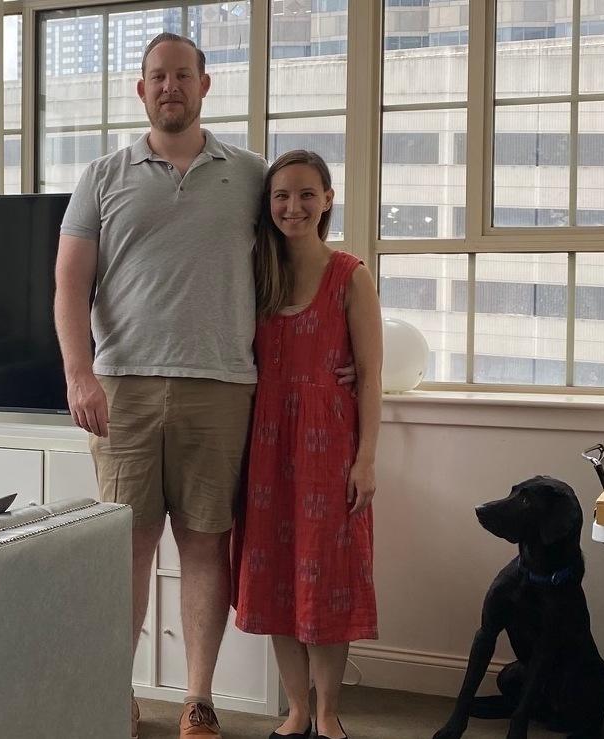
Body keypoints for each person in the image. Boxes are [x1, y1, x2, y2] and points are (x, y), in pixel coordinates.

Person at [54, 33, 351, 739]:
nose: (170, 87)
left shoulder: (250, 174)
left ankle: (197, 699)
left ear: (204, 85)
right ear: (142, 89)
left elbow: (303, 258)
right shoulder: (102, 175)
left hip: (221, 389)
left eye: (182, 75)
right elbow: (69, 286)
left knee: (205, 545)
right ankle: (115, 692)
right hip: (121, 389)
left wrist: (341, 346)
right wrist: (78, 371)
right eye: (158, 76)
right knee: (125, 549)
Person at [233, 150, 383, 739]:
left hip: (330, 449)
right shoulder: (255, 274)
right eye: (280, 196)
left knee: (328, 580)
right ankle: (295, 713)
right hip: (265, 448)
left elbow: (370, 374)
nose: (292, 207)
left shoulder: (351, 275)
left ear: (327, 200)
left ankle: (327, 716)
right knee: (274, 579)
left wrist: (366, 459)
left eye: (304, 194)